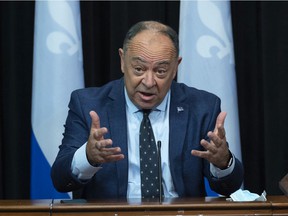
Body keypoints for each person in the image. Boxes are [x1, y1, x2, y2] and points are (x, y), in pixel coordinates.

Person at [51, 20, 243, 199]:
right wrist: (88, 157)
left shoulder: (202, 107)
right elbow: (60, 180)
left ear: (176, 67)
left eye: (160, 71)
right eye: (139, 69)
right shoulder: (88, 104)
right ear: (122, 61)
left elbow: (229, 188)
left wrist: (222, 161)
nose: (149, 82)